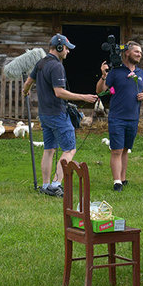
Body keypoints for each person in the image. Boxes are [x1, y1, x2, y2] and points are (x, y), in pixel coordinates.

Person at [22, 34, 98, 197]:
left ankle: (45, 185)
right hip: (57, 114)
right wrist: (84, 97)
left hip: (44, 114)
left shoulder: (40, 63)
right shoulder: (57, 66)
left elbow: (28, 82)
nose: (68, 52)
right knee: (70, 149)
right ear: (59, 47)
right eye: (67, 49)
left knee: (49, 149)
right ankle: (56, 184)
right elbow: (59, 92)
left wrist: (25, 92)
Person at [96, 41, 143, 191]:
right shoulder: (116, 72)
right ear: (127, 53)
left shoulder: (141, 73)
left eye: (141, 52)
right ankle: (116, 181)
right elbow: (101, 91)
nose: (139, 54)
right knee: (116, 150)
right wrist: (104, 76)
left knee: (125, 149)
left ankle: (123, 179)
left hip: (133, 118)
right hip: (117, 117)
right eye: (136, 51)